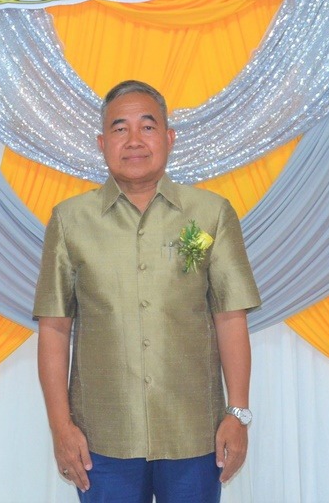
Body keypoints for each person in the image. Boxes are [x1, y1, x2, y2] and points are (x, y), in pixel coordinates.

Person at [33, 80, 262, 502]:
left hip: (196, 434)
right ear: (102, 143)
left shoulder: (210, 215)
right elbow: (54, 328)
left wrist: (238, 414)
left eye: (148, 126)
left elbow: (230, 317)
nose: (134, 140)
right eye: (120, 129)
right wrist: (61, 427)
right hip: (102, 438)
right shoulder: (70, 221)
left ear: (169, 138)